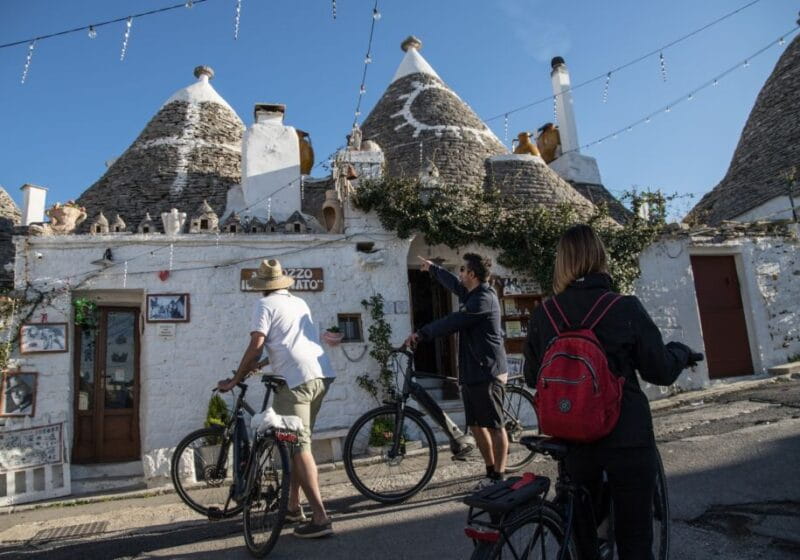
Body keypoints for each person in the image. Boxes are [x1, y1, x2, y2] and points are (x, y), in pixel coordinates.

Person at [523, 224, 700, 560]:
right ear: (600, 256)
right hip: (626, 438)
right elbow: (659, 370)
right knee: (635, 541)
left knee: (582, 537)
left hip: (572, 439)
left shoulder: (545, 314)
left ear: (562, 263)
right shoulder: (624, 308)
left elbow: (533, 377)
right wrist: (680, 352)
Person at [218, 258, 336, 538]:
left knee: (298, 447)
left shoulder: (264, 305)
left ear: (262, 287)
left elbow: (257, 343)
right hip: (320, 376)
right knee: (293, 443)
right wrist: (262, 365)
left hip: (295, 383)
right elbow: (291, 342)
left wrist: (236, 378)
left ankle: (320, 517)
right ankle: (293, 507)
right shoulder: (298, 303)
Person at [405, 253, 509, 489]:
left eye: (463, 270)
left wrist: (422, 333)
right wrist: (433, 269)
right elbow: (453, 284)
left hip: (488, 371)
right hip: (472, 372)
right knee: (474, 425)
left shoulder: (483, 299)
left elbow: (454, 321)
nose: (460, 273)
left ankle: (500, 476)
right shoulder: (471, 293)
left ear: (472, 274)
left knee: (495, 426)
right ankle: (490, 471)